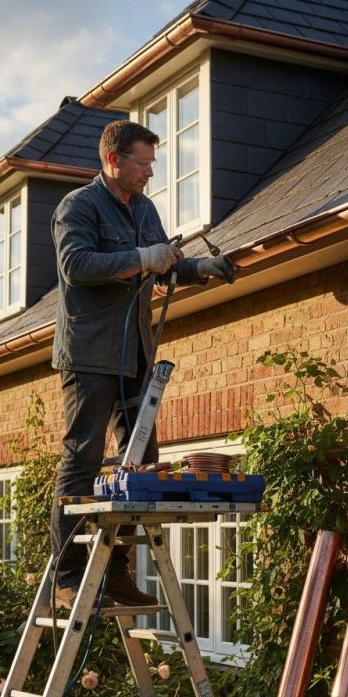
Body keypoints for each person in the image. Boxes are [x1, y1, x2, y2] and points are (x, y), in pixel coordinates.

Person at [49, 120, 235, 609]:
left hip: (135, 351)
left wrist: (198, 269)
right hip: (89, 353)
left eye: (153, 163)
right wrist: (140, 255)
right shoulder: (78, 207)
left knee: (141, 463)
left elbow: (164, 264)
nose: (151, 172)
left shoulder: (146, 209)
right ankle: (67, 580)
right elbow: (78, 266)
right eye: (143, 162)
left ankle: (113, 573)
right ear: (114, 160)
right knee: (83, 457)